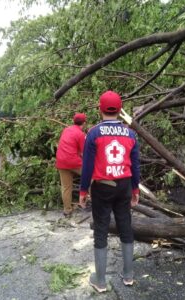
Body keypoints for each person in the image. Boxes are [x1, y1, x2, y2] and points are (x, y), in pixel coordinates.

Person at [79, 91, 140, 292]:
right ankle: (129, 275)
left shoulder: (94, 133)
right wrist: (135, 189)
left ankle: (101, 281)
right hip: (124, 184)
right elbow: (136, 165)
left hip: (102, 187)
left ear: (100, 109)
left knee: (101, 229)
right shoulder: (131, 133)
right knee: (125, 226)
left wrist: (82, 191)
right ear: (120, 110)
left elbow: (87, 165)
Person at [56, 113, 87, 217]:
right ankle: (92, 201)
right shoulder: (80, 134)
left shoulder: (66, 130)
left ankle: (67, 210)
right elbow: (83, 153)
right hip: (73, 161)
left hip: (60, 161)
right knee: (91, 177)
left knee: (66, 187)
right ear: (84, 123)